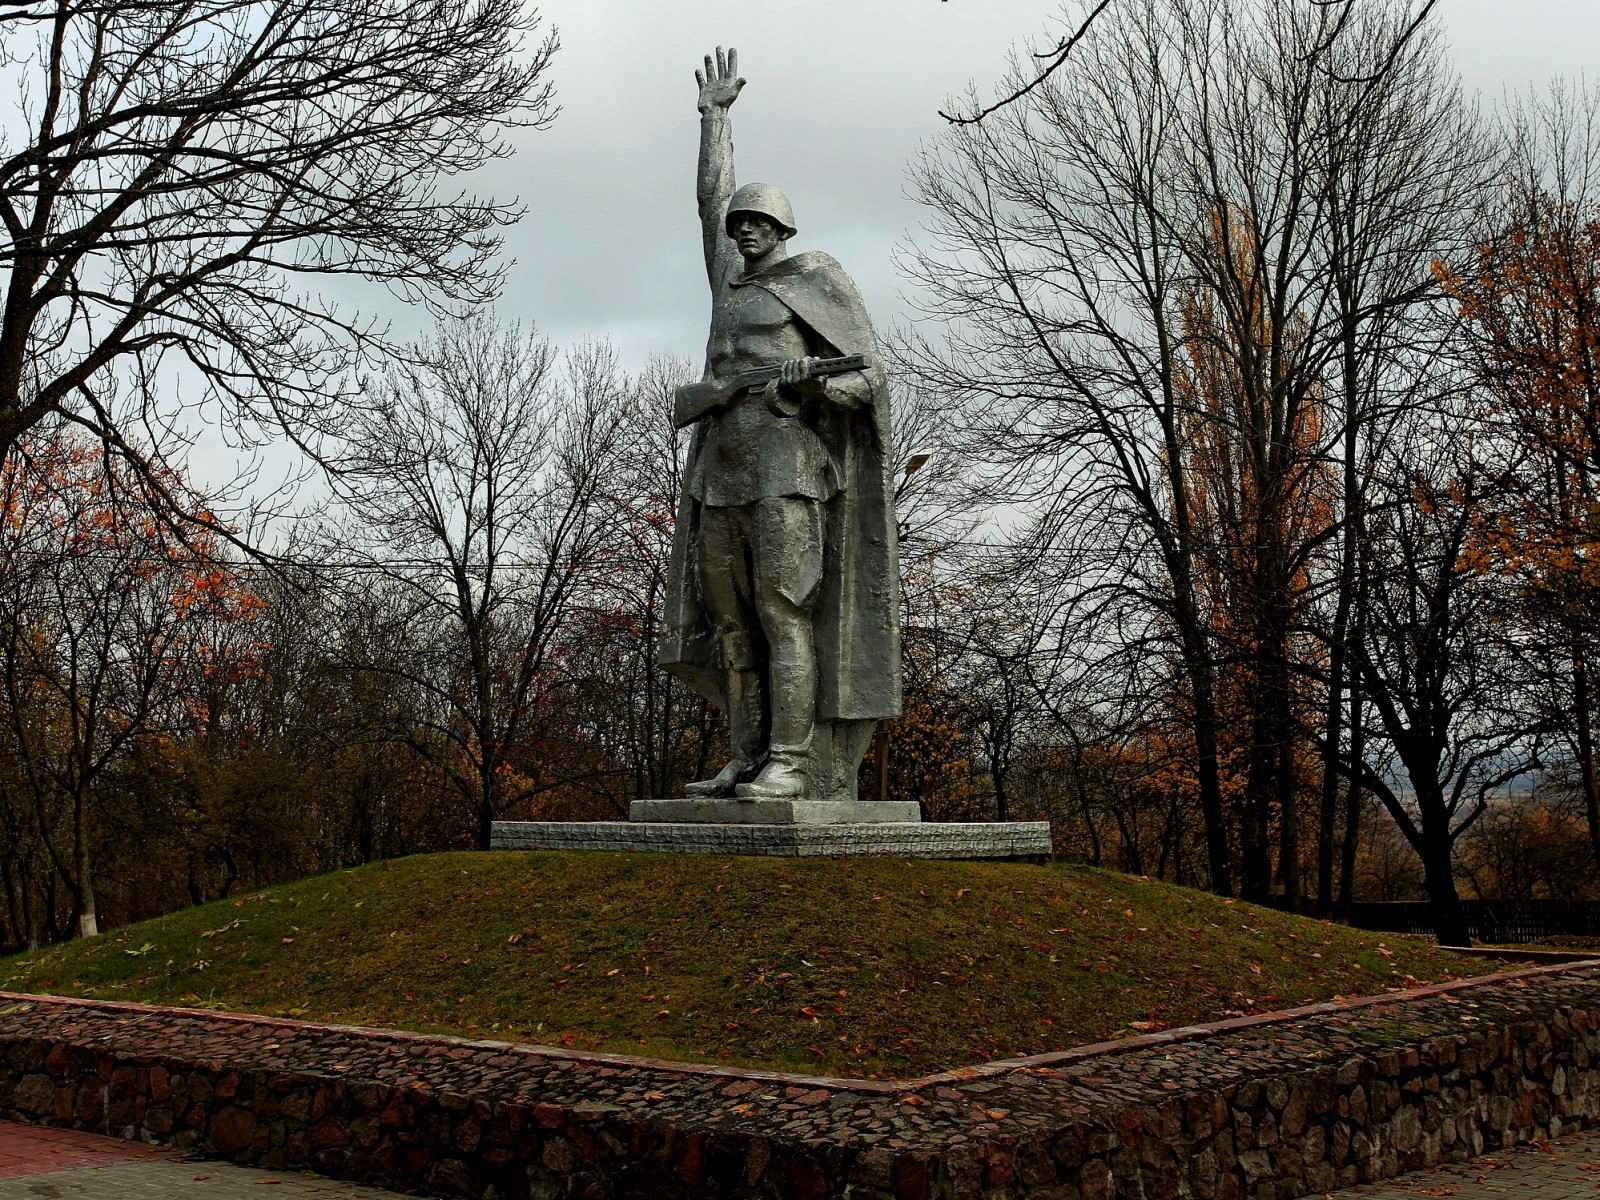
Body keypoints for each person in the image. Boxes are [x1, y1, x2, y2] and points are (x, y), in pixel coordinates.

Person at [660, 47, 901, 803]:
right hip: (721, 473)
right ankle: (744, 755)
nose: (744, 232)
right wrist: (714, 118)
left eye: (758, 223)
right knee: (733, 627)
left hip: (790, 474)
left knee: (782, 613)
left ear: (784, 228)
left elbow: (867, 380)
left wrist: (813, 389)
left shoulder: (818, 281)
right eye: (741, 224)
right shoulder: (728, 278)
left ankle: (792, 761)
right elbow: (708, 199)